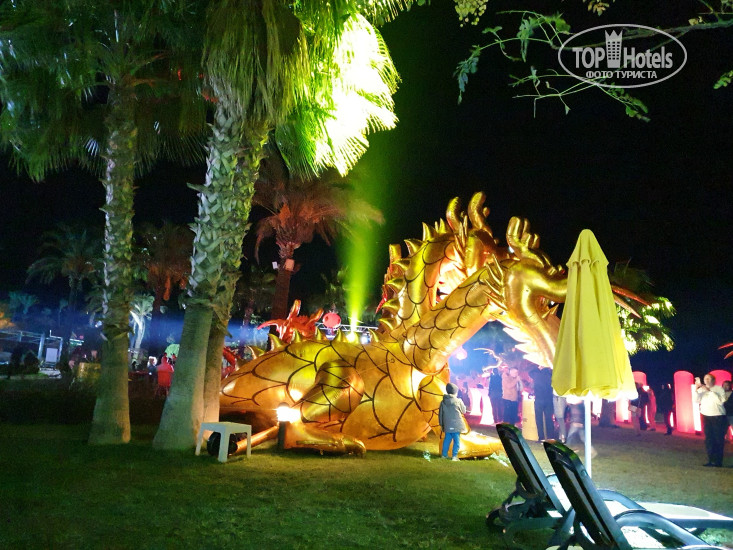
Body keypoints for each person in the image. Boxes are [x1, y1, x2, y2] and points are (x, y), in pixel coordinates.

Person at [694, 373, 727, 467]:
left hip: (717, 416)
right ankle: (711, 460)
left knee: (718, 438)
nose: (706, 380)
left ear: (713, 380)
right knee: (708, 438)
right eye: (705, 379)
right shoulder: (702, 389)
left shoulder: (719, 389)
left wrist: (709, 391)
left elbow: (720, 401)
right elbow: (696, 400)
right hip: (705, 415)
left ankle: (718, 461)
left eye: (708, 379)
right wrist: (696, 390)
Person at [439, 383, 466, 461]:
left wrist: (441, 424)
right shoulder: (458, 401)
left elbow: (440, 414)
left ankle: (444, 455)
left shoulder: (443, 402)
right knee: (456, 441)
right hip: (456, 425)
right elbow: (464, 410)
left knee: (447, 440)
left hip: (447, 425)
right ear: (455, 392)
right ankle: (454, 456)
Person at [529, 365, 555, 440]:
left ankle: (541, 437)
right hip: (548, 399)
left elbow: (530, 372)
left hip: (539, 399)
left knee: (539, 419)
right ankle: (550, 436)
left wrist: (538, 367)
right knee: (549, 419)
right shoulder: (550, 374)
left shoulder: (536, 373)